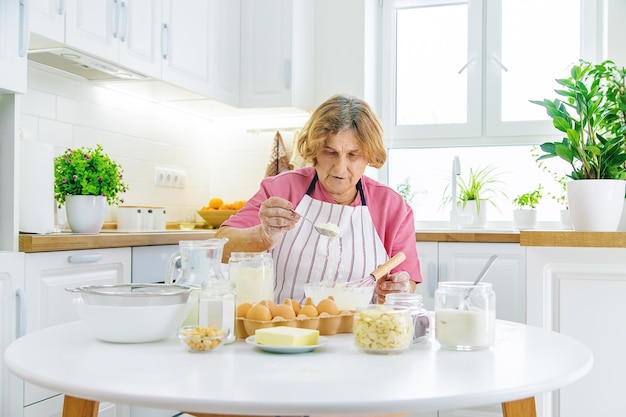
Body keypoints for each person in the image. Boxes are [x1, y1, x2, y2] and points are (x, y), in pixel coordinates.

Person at [216, 94, 421, 304]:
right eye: (330, 152)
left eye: (353, 155)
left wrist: (399, 287)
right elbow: (220, 248)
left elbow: (407, 281)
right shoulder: (281, 189)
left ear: (369, 156)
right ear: (314, 151)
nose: (340, 168)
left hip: (360, 332)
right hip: (284, 329)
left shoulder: (391, 207)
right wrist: (263, 235)